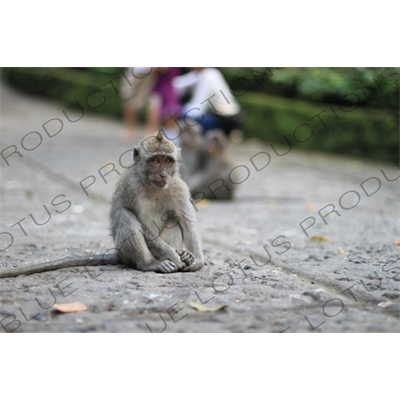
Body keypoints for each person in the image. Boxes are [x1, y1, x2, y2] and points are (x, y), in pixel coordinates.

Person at [173, 68, 244, 138]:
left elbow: (197, 109)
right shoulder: (203, 73)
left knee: (184, 116)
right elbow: (179, 84)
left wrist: (176, 110)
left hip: (224, 120)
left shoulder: (207, 77)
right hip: (221, 115)